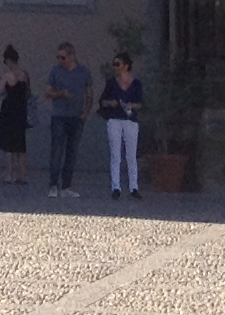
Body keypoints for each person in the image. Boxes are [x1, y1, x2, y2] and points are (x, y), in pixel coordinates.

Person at [41, 42, 91, 196]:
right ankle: (53, 186)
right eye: (58, 57)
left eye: (62, 57)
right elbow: (47, 93)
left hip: (76, 117)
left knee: (72, 152)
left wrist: (86, 113)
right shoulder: (55, 71)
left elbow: (89, 92)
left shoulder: (84, 71)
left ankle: (66, 186)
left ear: (71, 56)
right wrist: (60, 94)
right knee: (57, 151)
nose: (60, 60)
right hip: (59, 116)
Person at [98, 53, 146, 199]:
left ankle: (133, 187)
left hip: (130, 120)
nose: (115, 67)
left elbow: (141, 103)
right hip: (114, 119)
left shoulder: (136, 84)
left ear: (126, 66)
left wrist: (132, 105)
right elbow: (102, 101)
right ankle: (116, 187)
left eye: (117, 64)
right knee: (115, 154)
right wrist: (110, 103)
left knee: (131, 155)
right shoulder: (111, 83)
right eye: (114, 64)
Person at [0, 46, 32, 187]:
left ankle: (9, 174)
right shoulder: (25, 75)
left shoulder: (6, 76)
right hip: (21, 110)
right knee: (21, 144)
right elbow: (28, 92)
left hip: (9, 110)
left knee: (8, 145)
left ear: (8, 60)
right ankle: (23, 175)